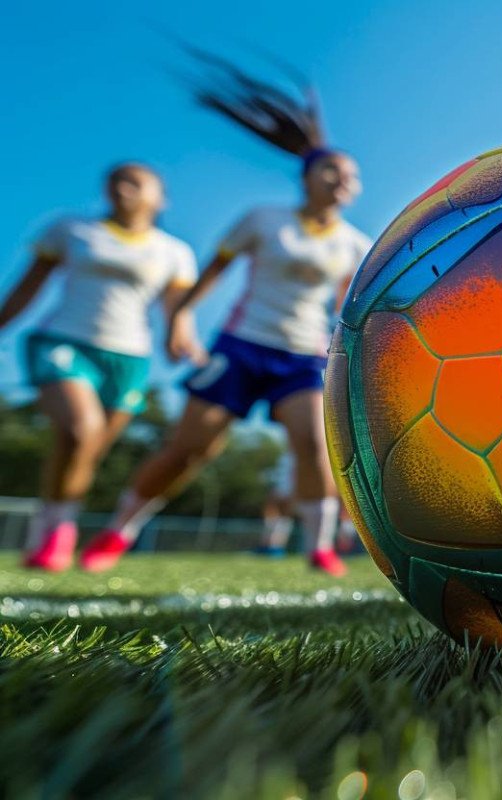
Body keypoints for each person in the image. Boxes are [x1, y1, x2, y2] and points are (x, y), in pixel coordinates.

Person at [79, 51, 370, 575]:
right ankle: (119, 529)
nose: (344, 182)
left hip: (303, 356)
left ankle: (320, 547)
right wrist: (181, 319)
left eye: (351, 176)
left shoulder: (354, 245)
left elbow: (345, 307)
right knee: (189, 451)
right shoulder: (263, 219)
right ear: (307, 177)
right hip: (241, 347)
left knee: (311, 441)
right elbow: (212, 272)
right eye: (333, 171)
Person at [0, 164, 197, 570]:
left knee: (86, 452)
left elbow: (178, 309)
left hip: (128, 358)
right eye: (114, 182)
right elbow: (28, 285)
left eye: (134, 182)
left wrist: (183, 338)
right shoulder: (70, 229)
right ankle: (56, 538)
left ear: (160, 198)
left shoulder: (173, 251)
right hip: (63, 341)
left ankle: (49, 524)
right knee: (78, 430)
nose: (120, 188)